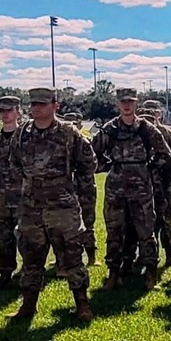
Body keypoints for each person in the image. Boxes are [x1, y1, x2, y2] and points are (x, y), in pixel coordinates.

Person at [6, 88, 96, 321]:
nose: (37, 108)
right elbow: (14, 164)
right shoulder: (22, 133)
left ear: (55, 106)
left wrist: (82, 199)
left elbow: (87, 164)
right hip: (31, 207)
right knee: (31, 257)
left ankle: (82, 305)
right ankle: (28, 305)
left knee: (72, 256)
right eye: (34, 103)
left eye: (42, 104)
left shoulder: (69, 133)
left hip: (62, 206)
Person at [91, 88, 171, 291]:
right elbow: (91, 155)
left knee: (146, 230)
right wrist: (108, 166)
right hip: (115, 190)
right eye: (123, 102)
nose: (126, 105)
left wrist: (147, 167)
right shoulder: (110, 129)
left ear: (136, 103)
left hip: (142, 189)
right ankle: (114, 274)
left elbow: (166, 155)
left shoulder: (146, 129)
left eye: (130, 101)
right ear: (117, 104)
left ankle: (151, 274)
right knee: (114, 231)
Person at [0, 96, 24, 288]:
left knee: (26, 235)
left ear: (18, 111)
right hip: (1, 196)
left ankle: (29, 271)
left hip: (23, 196)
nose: (5, 114)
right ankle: (5, 273)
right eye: (2, 111)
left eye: (9, 110)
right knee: (3, 235)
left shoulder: (27, 136)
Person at [139, 100, 171, 267]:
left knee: (165, 221)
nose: (150, 117)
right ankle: (143, 256)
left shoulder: (167, 134)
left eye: (153, 113)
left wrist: (167, 181)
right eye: (146, 113)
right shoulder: (137, 132)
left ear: (159, 114)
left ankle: (170, 254)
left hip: (162, 186)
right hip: (142, 186)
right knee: (143, 222)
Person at [62, 111, 100, 266]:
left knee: (88, 223)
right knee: (64, 226)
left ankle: (91, 256)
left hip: (85, 189)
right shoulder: (59, 143)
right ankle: (64, 259)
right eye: (68, 123)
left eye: (74, 123)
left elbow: (92, 164)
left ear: (79, 125)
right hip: (65, 191)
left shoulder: (84, 142)